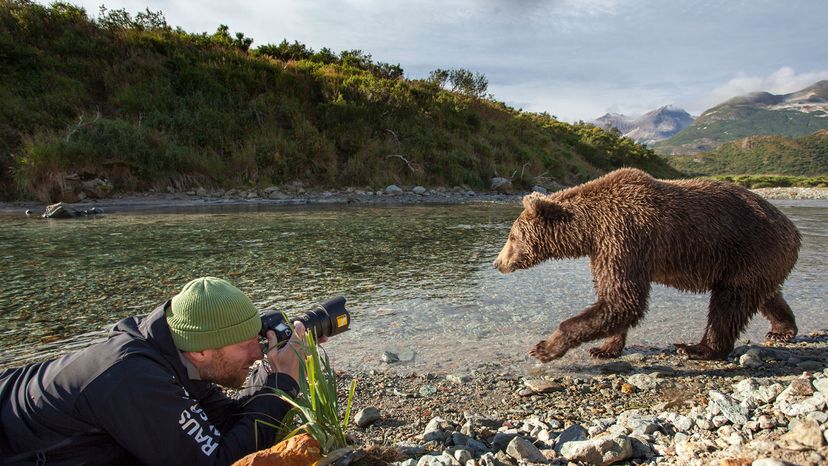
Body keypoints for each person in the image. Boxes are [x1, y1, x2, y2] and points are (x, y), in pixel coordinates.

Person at [0, 277, 320, 465]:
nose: (257, 352)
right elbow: (217, 461)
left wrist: (274, 374)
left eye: (258, 340)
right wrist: (283, 382)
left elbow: (225, 426)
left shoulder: (174, 352)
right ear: (202, 351)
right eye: (245, 345)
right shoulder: (136, 382)